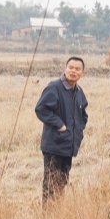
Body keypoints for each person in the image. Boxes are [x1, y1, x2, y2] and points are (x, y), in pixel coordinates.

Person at [35, 56, 89, 203]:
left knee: (62, 183)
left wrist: (78, 131)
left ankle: (58, 217)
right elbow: (41, 109)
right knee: (51, 184)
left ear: (82, 73)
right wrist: (60, 126)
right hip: (54, 145)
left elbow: (83, 115)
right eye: (70, 67)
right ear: (65, 69)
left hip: (69, 146)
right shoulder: (54, 87)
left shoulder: (78, 91)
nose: (73, 71)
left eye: (77, 69)